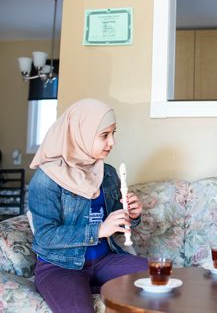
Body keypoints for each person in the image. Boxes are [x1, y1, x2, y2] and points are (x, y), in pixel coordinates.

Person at [28, 98, 148, 313]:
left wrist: (132, 214)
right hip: (60, 267)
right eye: (104, 135)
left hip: (105, 261)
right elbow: (45, 236)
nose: (112, 142)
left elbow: (116, 223)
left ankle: (97, 284)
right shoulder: (46, 178)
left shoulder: (108, 173)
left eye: (113, 133)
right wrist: (99, 230)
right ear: (79, 134)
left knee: (165, 276)